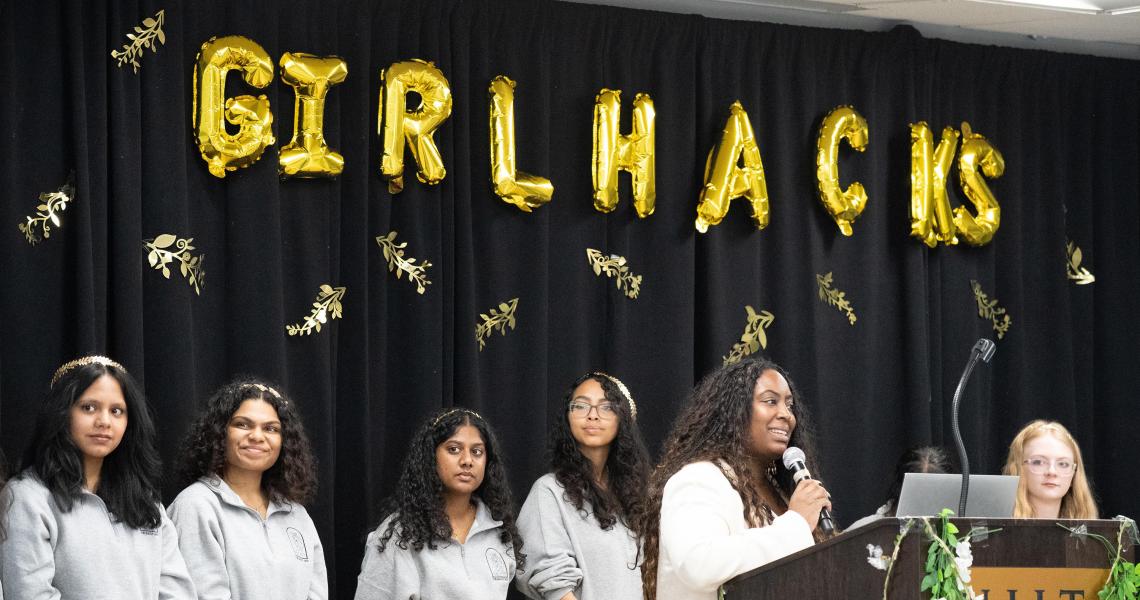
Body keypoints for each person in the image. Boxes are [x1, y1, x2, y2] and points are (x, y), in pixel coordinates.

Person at [0, 355, 196, 598]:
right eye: (88, 407)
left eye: (116, 411)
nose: (104, 421)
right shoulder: (28, 497)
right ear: (61, 412)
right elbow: (30, 594)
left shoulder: (146, 502)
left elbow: (177, 592)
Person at [637, 357, 832, 600]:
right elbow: (698, 564)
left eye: (789, 405)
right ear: (734, 411)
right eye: (770, 401)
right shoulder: (698, 478)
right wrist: (796, 523)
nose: (786, 415)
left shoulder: (779, 492)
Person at [169, 378, 327, 599]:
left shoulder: (297, 514)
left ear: (284, 441)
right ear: (220, 432)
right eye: (243, 424)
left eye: (271, 428)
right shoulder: (196, 505)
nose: (257, 436)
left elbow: (317, 593)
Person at [354, 407, 525, 600]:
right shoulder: (401, 534)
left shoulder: (499, 530)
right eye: (454, 449)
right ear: (430, 456)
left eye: (477, 452)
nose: (467, 460)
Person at [516, 372, 651, 600]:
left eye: (606, 407)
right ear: (568, 417)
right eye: (581, 406)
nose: (593, 415)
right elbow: (552, 581)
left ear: (623, 419)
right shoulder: (549, 492)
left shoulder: (637, 496)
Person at [1002, 420, 1098, 519]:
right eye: (1038, 462)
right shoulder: (996, 527)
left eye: (1063, 464)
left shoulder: (1091, 529)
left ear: (1074, 474)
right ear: (1018, 469)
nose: (1052, 472)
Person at [847, 446, 953, 530]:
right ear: (900, 491)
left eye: (932, 496)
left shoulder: (958, 536)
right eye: (918, 496)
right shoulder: (862, 531)